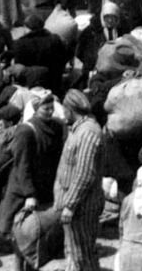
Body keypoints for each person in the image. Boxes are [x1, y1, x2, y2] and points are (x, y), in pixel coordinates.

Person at [0, 92, 65, 254]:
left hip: (44, 179)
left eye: (51, 108)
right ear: (35, 110)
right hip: (23, 181)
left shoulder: (56, 126)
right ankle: (5, 242)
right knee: (10, 215)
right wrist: (29, 193)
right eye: (45, 109)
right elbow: (22, 164)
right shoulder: (25, 131)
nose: (50, 112)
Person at [53, 90, 104, 271]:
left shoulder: (88, 133)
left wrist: (70, 204)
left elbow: (84, 174)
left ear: (71, 109)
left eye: (63, 110)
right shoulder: (78, 130)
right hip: (76, 204)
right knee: (74, 253)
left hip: (83, 206)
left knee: (82, 254)